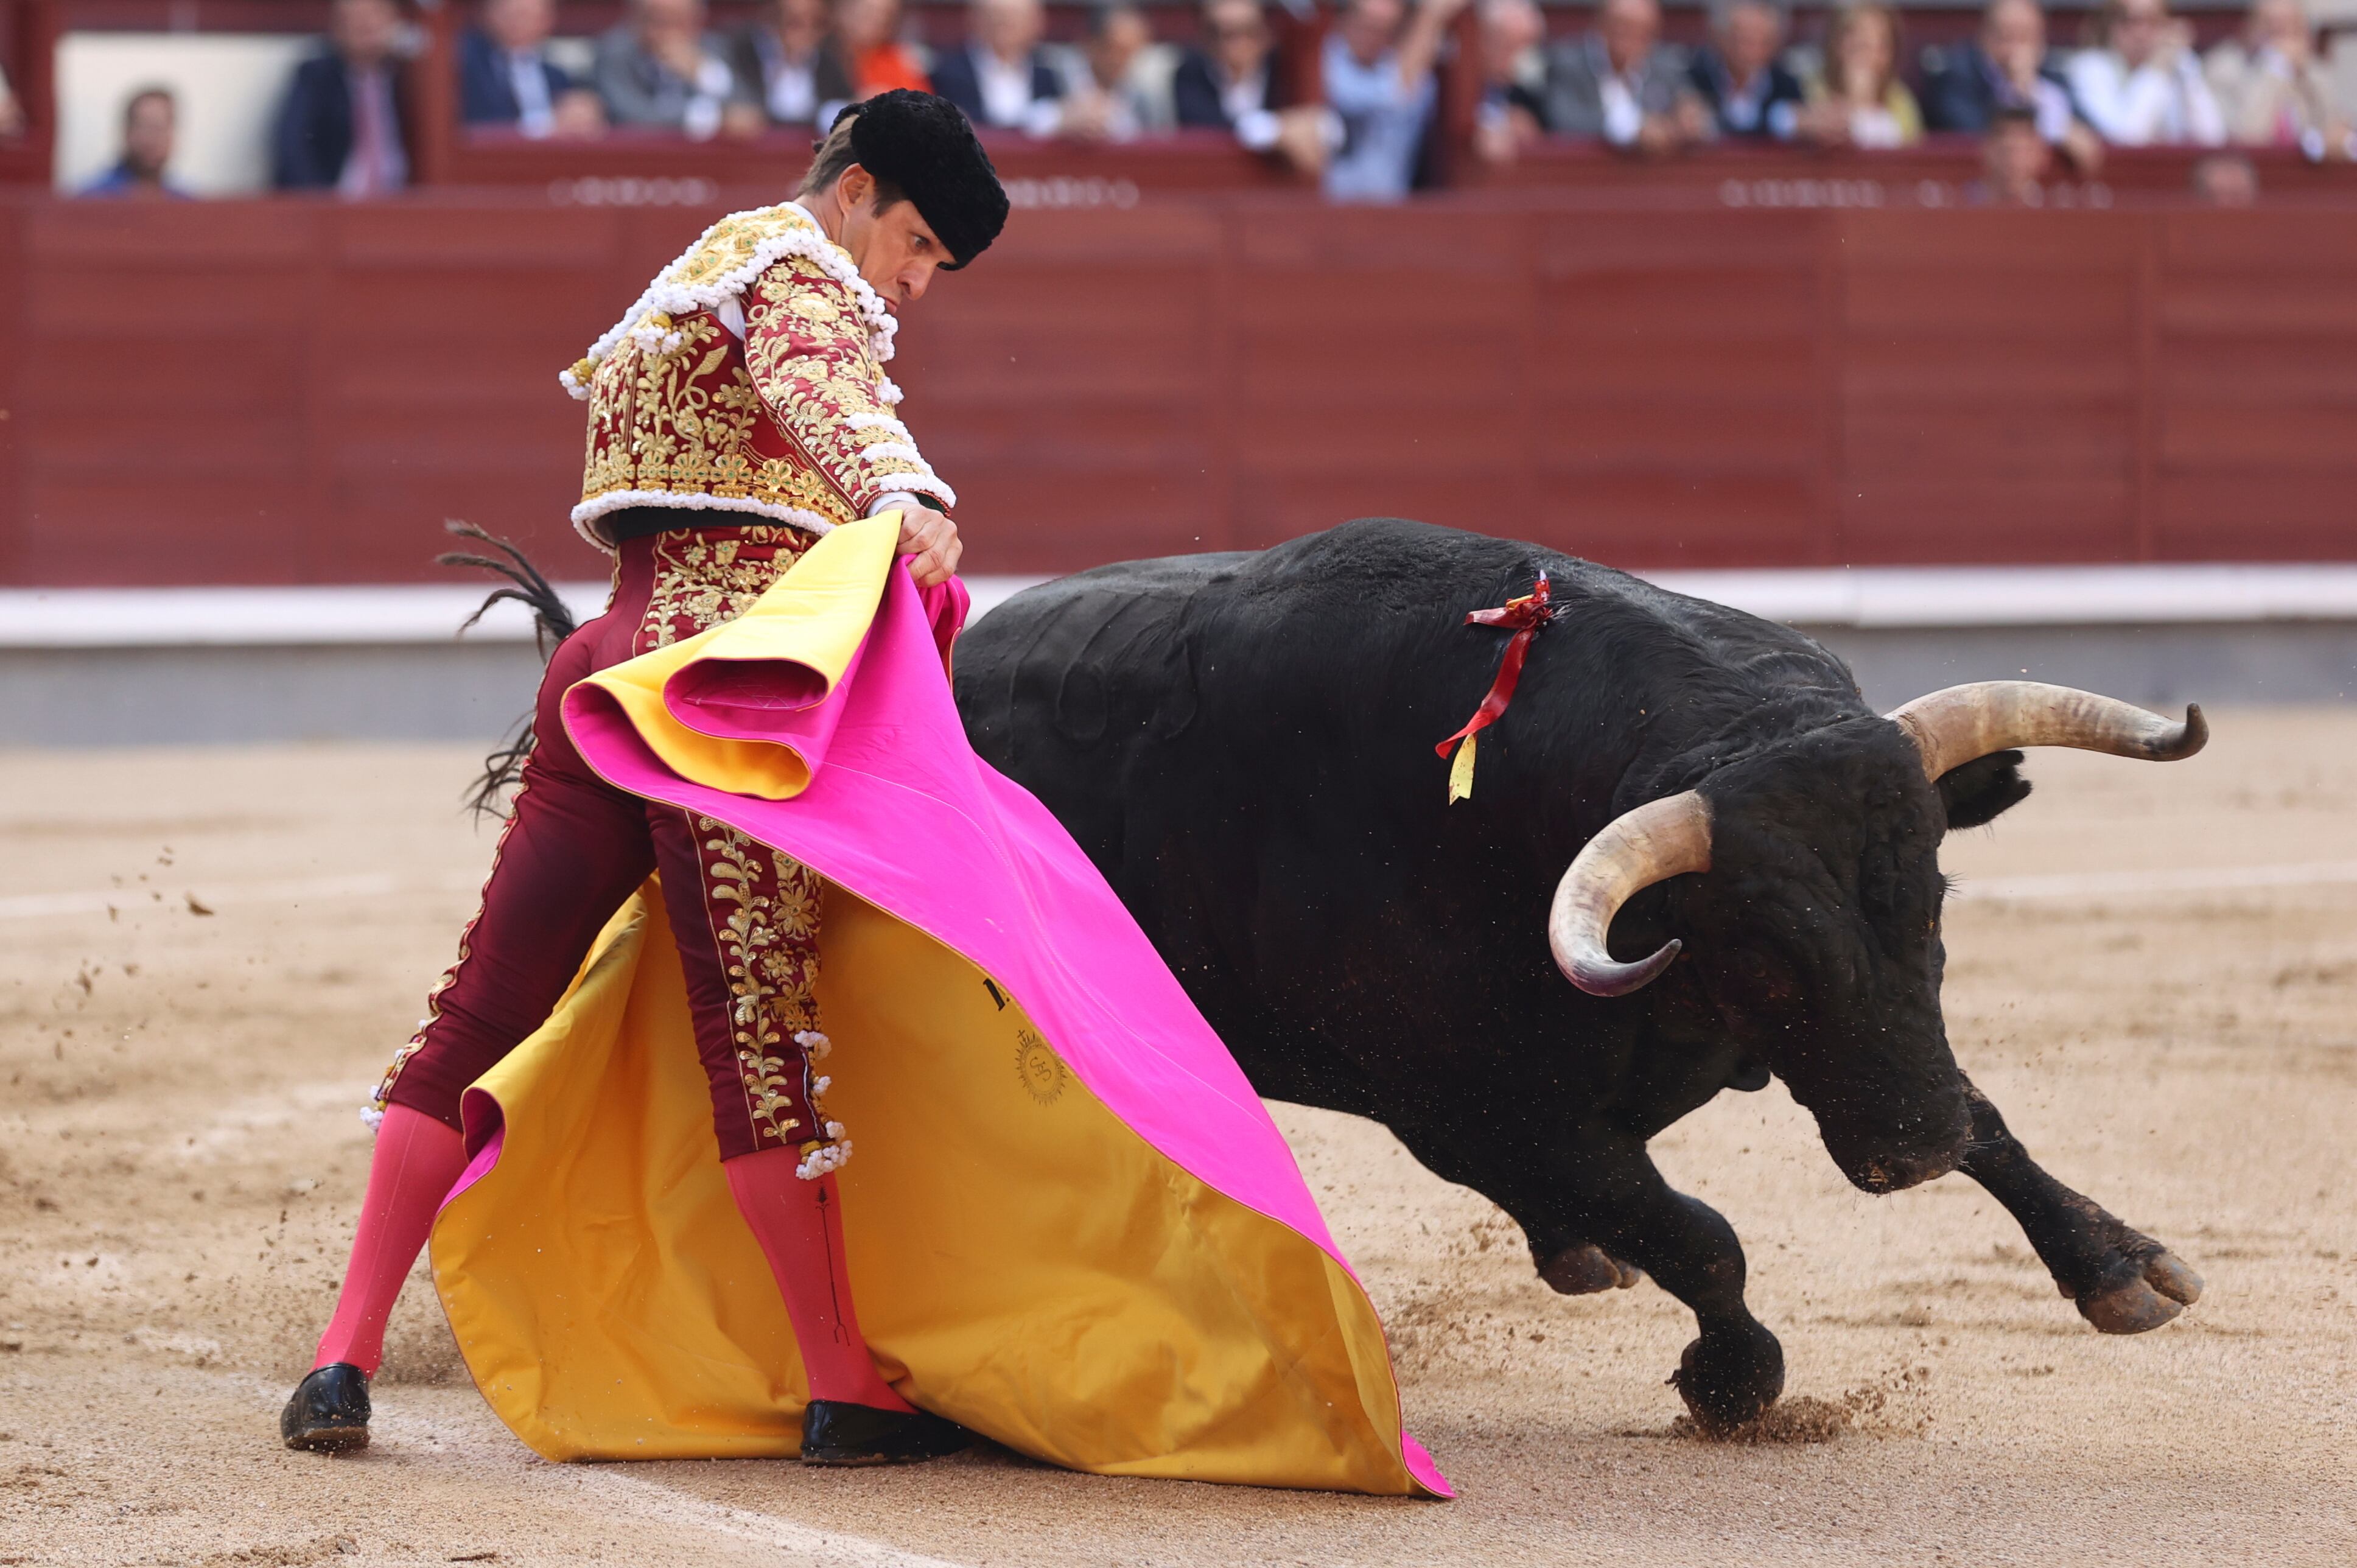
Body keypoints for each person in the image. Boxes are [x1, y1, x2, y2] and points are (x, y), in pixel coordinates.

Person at [281, 89, 998, 1466]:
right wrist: (902, 492)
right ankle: (843, 1382)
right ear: (854, 189)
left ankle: (341, 1357)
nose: (913, 282)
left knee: (480, 1007)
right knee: (760, 1039)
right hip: (721, 685)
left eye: (934, 268)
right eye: (916, 244)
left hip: (605, 668)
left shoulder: (693, 274)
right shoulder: (798, 272)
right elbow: (820, 379)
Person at [1921, 0, 2102, 169]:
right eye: (2006, 36)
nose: (2015, 50)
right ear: (1984, 35)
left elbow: (2090, 137)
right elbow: (1977, 136)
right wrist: (2021, 91)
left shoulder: (2053, 80)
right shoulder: (1955, 77)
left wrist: (2035, 91)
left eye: (2025, 37)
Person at [1321, 0, 1466, 201]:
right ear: (1345, 20)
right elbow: (1394, 93)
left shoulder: (1418, 75)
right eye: (1367, 26)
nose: (1372, 38)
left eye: (1384, 30)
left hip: (1394, 209)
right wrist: (1430, 16)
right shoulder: (1326, 60)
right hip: (1330, 208)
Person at [271, 0, 413, 194]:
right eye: (355, 17)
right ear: (337, 28)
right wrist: (321, 201)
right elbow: (293, 148)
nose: (367, 24)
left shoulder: (412, 78)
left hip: (401, 200)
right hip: (336, 200)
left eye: (376, 13)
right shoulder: (316, 77)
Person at [1174, 0, 1329, 172]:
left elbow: (1322, 123)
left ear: (1265, 33)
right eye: (1226, 34)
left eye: (1248, 32)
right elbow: (1205, 128)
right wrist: (1276, 130)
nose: (1239, 44)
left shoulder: (1283, 69)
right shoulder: (1189, 73)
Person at [1542, 0, 1707, 156]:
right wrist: (1634, 129)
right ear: (1600, 24)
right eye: (1623, 27)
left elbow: (1702, 117)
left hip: (1651, 173)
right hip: (1584, 171)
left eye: (1644, 33)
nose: (1632, 38)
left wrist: (1690, 120)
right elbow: (1564, 120)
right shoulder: (1567, 63)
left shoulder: (1665, 67)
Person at [594, 0, 762, 138]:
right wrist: (713, 119)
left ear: (697, 22)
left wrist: (706, 74)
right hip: (637, 158)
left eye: (677, 21)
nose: (667, 33)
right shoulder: (616, 52)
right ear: (635, 20)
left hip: (706, 161)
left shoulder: (716, 49)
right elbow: (631, 115)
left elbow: (747, 112)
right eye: (657, 21)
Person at [2205, 0, 2352, 157]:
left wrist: (2305, 76)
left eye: (2292, 28)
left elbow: (2334, 131)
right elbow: (2248, 137)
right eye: (2273, 27)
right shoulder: (2224, 68)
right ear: (2251, 27)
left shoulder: (2315, 72)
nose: (2283, 39)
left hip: (2306, 167)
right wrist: (2276, 69)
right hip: (2250, 164)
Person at [2067, 0, 2224, 145]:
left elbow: (2213, 137)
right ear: (2110, 26)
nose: (2141, 33)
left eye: (2153, 21)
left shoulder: (2175, 62)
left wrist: (2186, 64)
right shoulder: (2090, 67)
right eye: (2130, 21)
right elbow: (2127, 139)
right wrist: (2155, 70)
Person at [460, 0, 606, 138]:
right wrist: (546, 128)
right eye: (516, 14)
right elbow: (473, 129)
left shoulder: (556, 76)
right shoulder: (466, 65)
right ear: (489, 14)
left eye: (533, 16)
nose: (520, 23)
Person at [929, 0, 1065, 136]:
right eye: (996, 16)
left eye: (1015, 16)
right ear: (974, 19)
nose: (1005, 24)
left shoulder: (1049, 75)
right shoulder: (948, 73)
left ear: (1037, 24)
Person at [1796, 1, 1921, 147]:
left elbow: (1910, 148)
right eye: (1860, 45)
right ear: (1836, 44)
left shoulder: (1899, 100)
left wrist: (1865, 105)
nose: (1870, 56)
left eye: (1881, 46)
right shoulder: (1808, 91)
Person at [1056, 2, 1175, 141]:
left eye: (1135, 51)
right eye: (1118, 50)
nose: (1126, 61)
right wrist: (1064, 121)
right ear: (1091, 44)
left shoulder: (1146, 92)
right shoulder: (1055, 79)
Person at [1687, 0, 1803, 141]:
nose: (1751, 52)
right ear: (1720, 38)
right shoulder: (1694, 83)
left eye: (1763, 42)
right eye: (1743, 40)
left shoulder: (1787, 88)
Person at [730, 0, 855, 127]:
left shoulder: (828, 62)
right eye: (796, 23)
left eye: (818, 23)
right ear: (773, 21)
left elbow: (845, 104)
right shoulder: (744, 54)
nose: (808, 32)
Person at [1471, 0, 1550, 164]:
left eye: (1529, 49)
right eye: (1509, 46)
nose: (1521, 60)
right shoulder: (1460, 85)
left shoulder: (1533, 90)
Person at [80, 86, 192, 197]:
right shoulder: (92, 199)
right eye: (144, 127)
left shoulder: (186, 202)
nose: (151, 138)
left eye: (159, 128)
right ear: (127, 132)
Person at [833, 0, 931, 99]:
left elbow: (922, 102)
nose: (879, 19)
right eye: (869, 11)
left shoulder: (901, 62)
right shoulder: (830, 56)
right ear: (844, 12)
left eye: (888, 14)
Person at [1970, 100, 2051, 201]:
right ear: (1987, 151)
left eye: (2023, 152)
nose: (2014, 162)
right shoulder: (1963, 201)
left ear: (2040, 154)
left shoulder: (2054, 204)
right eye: (2005, 152)